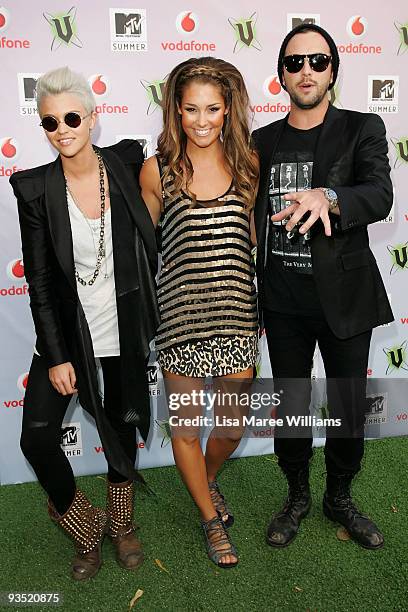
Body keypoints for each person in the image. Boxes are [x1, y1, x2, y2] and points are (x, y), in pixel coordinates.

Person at [9, 67, 159, 580]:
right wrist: (56, 355)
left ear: (92, 119)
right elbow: (41, 285)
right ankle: (86, 524)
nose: (63, 129)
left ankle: (121, 522)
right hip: (68, 336)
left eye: (72, 117)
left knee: (123, 427)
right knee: (36, 437)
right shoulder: (33, 189)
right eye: (50, 121)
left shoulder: (125, 163)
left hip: (123, 326)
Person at [252, 24, 393, 550]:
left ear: (333, 68)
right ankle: (296, 496)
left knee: (347, 405)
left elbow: (379, 195)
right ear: (281, 75)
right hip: (283, 302)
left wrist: (329, 196)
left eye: (316, 60)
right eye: (294, 63)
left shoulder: (362, 127)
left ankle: (339, 497)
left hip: (345, 301)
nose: (305, 70)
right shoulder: (261, 141)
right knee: (291, 406)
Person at [140, 56, 259, 568]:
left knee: (230, 428)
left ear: (228, 108)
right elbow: (148, 251)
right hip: (180, 321)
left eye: (212, 108)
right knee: (186, 428)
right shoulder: (157, 171)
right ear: (176, 111)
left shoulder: (249, 163)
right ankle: (210, 520)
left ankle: (208, 480)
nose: (203, 120)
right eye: (191, 109)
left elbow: (250, 241)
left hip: (236, 318)